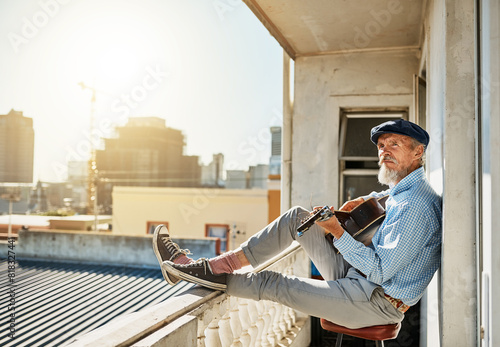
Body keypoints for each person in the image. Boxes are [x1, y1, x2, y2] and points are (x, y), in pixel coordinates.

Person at [152, 119, 442, 329]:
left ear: (418, 152)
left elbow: (379, 271)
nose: (384, 151)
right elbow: (387, 196)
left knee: (272, 283)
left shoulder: (416, 204)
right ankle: (219, 264)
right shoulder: (405, 191)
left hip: (376, 301)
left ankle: (196, 272)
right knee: (297, 218)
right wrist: (363, 199)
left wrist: (338, 232)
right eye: (381, 146)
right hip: (360, 279)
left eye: (394, 144)